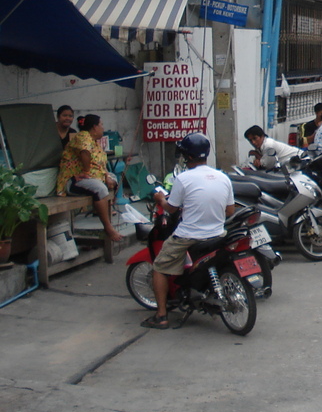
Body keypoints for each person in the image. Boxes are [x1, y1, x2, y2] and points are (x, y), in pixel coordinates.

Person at [139, 133, 236, 330]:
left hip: (188, 236)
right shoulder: (222, 177)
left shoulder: (183, 179)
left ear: (188, 157)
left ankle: (161, 315)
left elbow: (172, 209)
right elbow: (230, 211)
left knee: (159, 267)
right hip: (218, 234)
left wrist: (159, 199)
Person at [57, 114, 122, 242]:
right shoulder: (83, 136)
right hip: (74, 181)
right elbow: (85, 152)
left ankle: (103, 204)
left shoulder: (95, 143)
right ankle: (108, 228)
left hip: (94, 178)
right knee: (100, 189)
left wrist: (107, 177)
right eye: (101, 125)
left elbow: (101, 166)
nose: (103, 128)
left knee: (113, 177)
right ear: (94, 127)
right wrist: (86, 171)